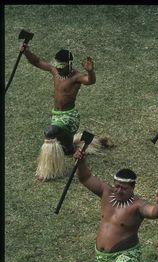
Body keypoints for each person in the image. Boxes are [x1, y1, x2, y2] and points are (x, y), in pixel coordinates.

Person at [21, 43, 112, 181]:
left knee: (50, 132)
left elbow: (90, 81)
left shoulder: (76, 77)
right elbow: (37, 61)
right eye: (56, 65)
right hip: (56, 115)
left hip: (69, 117)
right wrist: (26, 51)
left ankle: (49, 171)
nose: (57, 68)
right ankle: (71, 147)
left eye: (61, 66)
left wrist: (90, 71)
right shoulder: (55, 71)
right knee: (66, 147)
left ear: (69, 64)